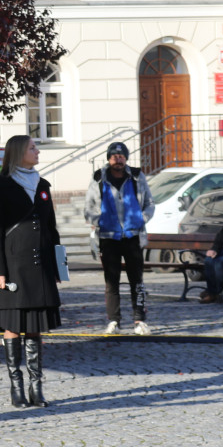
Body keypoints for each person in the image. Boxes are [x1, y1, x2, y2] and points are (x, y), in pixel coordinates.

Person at [0, 135, 62, 408]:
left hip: (40, 266)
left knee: (35, 328)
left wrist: (58, 266)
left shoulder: (42, 185)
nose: (37, 151)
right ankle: (16, 387)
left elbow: (51, 228)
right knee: (13, 326)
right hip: (13, 266)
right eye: (32, 147)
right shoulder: (0, 185)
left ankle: (36, 387)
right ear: (19, 152)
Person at [84, 142, 155, 336]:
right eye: (114, 156)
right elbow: (88, 207)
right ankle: (114, 321)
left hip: (133, 236)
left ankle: (139, 320)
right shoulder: (99, 178)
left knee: (137, 281)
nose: (118, 159)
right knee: (111, 282)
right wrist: (100, 221)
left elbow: (149, 202)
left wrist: (142, 218)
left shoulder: (137, 177)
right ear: (108, 158)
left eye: (122, 156)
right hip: (108, 236)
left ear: (126, 158)